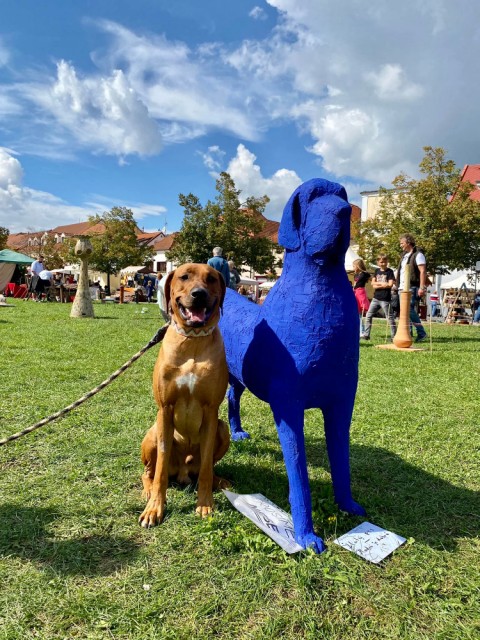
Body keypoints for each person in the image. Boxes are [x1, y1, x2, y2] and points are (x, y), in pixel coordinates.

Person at [396, 233, 428, 342]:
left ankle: (421, 332)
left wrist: (421, 287)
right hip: (402, 287)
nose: (401, 245)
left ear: (408, 243)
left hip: (412, 286)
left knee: (408, 309)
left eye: (402, 243)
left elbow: (422, 271)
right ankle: (407, 334)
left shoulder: (418, 255)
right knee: (404, 311)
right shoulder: (404, 255)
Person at [362, 254, 396, 341]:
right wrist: (383, 284)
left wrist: (380, 284)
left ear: (387, 262)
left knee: (390, 318)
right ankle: (366, 334)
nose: (383, 264)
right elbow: (373, 284)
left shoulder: (390, 272)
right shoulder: (377, 271)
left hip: (385, 299)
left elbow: (390, 284)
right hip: (375, 298)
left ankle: (394, 336)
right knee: (369, 315)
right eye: (381, 262)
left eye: (384, 262)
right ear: (378, 262)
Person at [352, 258, 370, 336]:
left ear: (358, 266)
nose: (353, 268)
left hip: (360, 292)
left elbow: (370, 278)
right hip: (355, 292)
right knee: (357, 313)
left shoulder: (364, 274)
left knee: (361, 312)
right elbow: (355, 283)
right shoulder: (356, 275)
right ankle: (359, 330)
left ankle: (362, 331)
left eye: (354, 266)